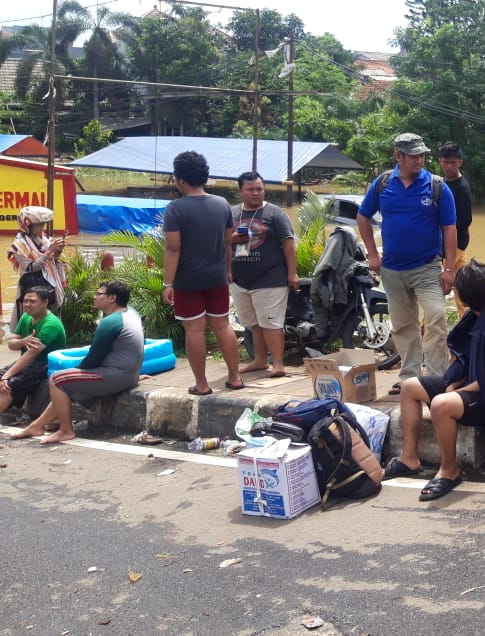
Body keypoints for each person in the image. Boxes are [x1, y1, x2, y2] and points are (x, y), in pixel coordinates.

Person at [381, 260, 485, 502]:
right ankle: (409, 457)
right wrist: (453, 383)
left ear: (466, 295)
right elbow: (463, 358)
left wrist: (454, 391)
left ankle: (449, 469)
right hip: (470, 385)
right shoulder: (476, 316)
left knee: (441, 404)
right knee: (410, 387)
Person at [357, 133, 458, 393]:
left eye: (422, 155)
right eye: (414, 155)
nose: (420, 160)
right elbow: (363, 216)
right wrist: (372, 254)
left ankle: (436, 379)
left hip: (427, 267)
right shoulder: (382, 184)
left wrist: (449, 269)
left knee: (436, 317)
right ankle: (410, 379)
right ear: (398, 156)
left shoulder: (437, 186)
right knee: (403, 325)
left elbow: (449, 228)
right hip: (392, 269)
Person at [12, 280, 144, 444]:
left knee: (58, 379)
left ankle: (66, 430)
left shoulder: (110, 322)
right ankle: (37, 425)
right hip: (128, 374)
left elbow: (92, 360)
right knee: (66, 381)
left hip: (117, 376)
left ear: (112, 298)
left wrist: (75, 372)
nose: (95, 297)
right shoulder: (130, 312)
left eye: (99, 294)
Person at [162, 150, 243, 396]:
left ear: (180, 179)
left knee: (194, 330)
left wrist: (168, 282)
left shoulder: (175, 209)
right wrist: (228, 271)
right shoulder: (222, 205)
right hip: (217, 277)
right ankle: (235, 378)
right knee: (222, 325)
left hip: (188, 280)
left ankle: (202, 384)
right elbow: (228, 242)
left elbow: (173, 248)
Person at [230, 171, 300, 379]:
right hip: (240, 279)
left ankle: (278, 363)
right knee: (254, 323)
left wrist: (292, 273)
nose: (256, 193)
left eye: (259, 189)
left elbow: (288, 244)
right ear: (240, 191)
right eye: (250, 189)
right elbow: (222, 243)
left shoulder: (275, 213)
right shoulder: (233, 214)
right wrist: (232, 240)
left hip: (270, 278)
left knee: (271, 322)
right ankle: (260, 360)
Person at [0, 286, 67, 417]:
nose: (27, 305)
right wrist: (23, 341)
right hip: (28, 362)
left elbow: (32, 354)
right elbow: (11, 344)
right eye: (25, 301)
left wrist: (6, 376)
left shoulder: (51, 324)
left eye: (32, 301)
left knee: (10, 384)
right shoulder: (26, 317)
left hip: (45, 364)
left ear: (45, 302)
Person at [7, 205, 67, 325]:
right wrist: (49, 251)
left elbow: (52, 260)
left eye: (43, 225)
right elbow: (32, 267)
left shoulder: (43, 240)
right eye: (39, 225)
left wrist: (58, 250)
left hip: (49, 286)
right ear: (28, 226)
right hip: (32, 287)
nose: (42, 228)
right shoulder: (19, 245)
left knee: (51, 317)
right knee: (31, 318)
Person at [438, 142, 473, 319]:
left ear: (460, 162)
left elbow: (465, 221)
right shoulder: (441, 184)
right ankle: (465, 323)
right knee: (458, 288)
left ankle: (465, 324)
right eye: (446, 162)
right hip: (442, 246)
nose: (449, 166)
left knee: (446, 286)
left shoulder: (462, 188)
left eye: (453, 162)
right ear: (440, 162)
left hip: (456, 245)